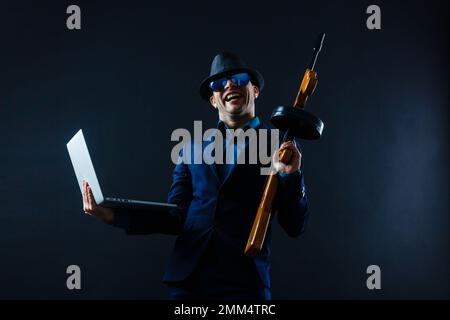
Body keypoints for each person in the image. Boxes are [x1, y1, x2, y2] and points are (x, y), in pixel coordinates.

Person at [82, 52, 309, 300]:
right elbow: (175, 216)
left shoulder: (279, 146)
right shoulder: (190, 149)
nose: (230, 85)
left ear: (255, 90)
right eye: (219, 84)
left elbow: (295, 225)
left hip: (245, 284)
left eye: (238, 78)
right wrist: (113, 214)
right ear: (213, 100)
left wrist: (291, 175)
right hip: (188, 283)